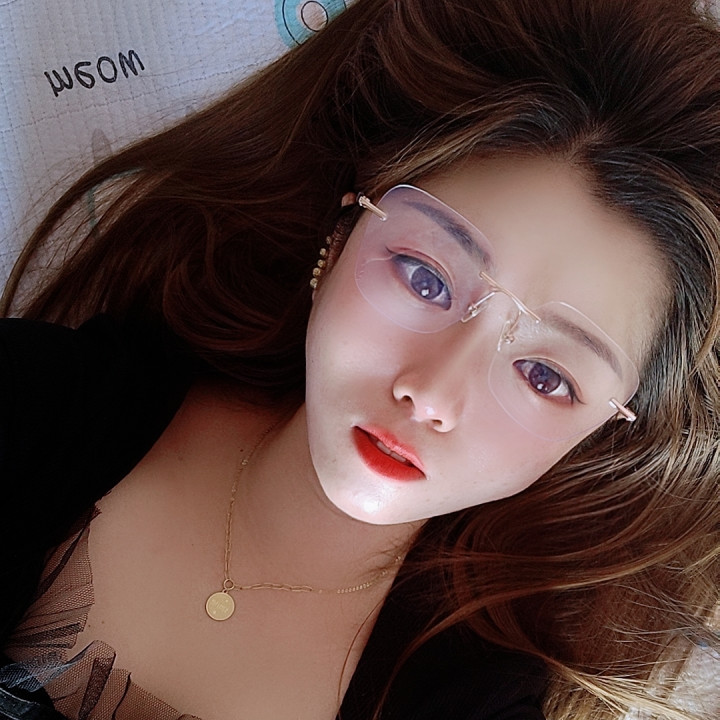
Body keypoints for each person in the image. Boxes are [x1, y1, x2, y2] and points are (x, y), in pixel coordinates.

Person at [0, 0, 718, 718]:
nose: (432, 394)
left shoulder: (472, 702)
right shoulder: (39, 398)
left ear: (601, 433)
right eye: (426, 278)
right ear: (340, 234)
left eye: (545, 376)